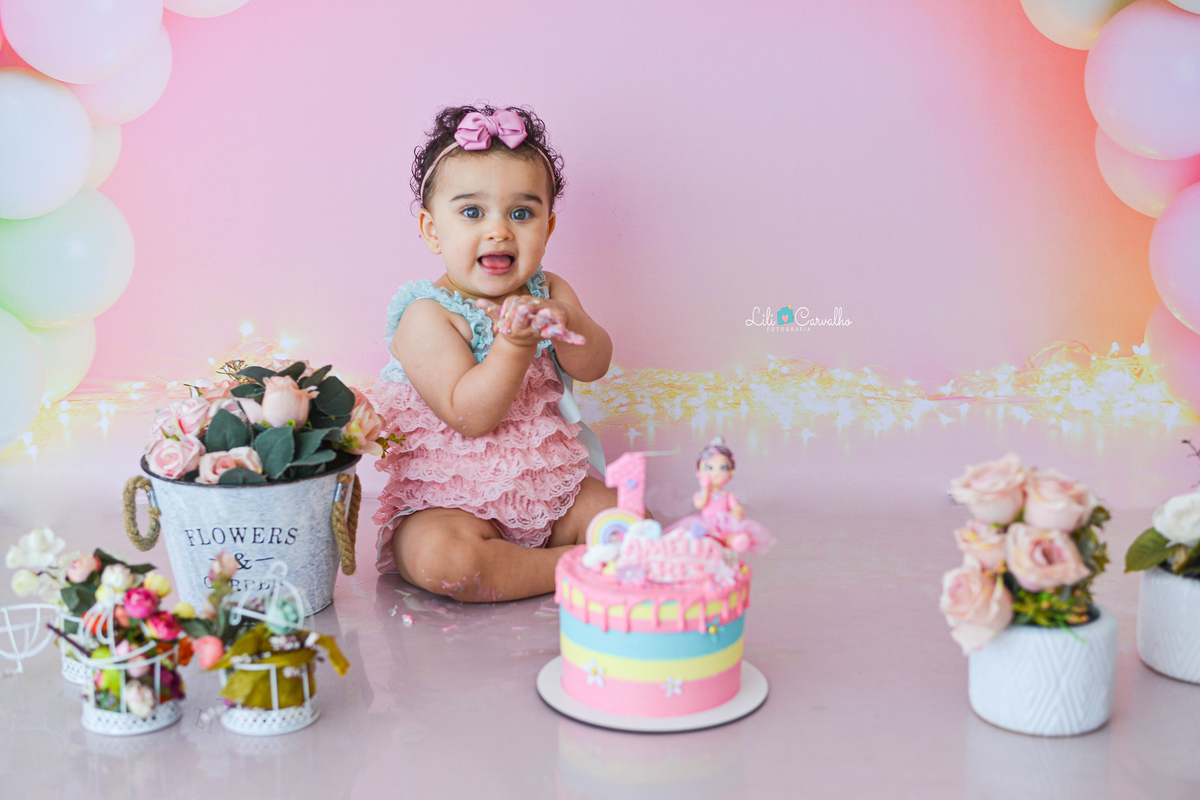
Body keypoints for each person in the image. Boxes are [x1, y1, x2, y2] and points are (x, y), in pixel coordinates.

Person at [373, 105, 615, 602]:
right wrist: (515, 346)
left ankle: (542, 560)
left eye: (521, 213)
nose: (499, 230)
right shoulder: (426, 315)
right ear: (432, 228)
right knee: (450, 564)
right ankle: (572, 568)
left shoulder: (550, 289)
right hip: (447, 502)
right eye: (471, 212)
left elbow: (595, 366)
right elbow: (471, 416)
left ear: (547, 228)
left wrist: (570, 324)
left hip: (547, 488)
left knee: (628, 520)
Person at [670, 436, 774, 555]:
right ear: (699, 472)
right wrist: (705, 488)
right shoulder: (701, 494)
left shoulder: (728, 495)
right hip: (706, 524)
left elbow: (736, 508)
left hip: (725, 524)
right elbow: (699, 504)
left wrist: (736, 514)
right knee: (699, 537)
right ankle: (702, 543)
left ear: (731, 472)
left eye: (723, 467)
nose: (716, 473)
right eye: (709, 468)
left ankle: (734, 541)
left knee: (729, 537)